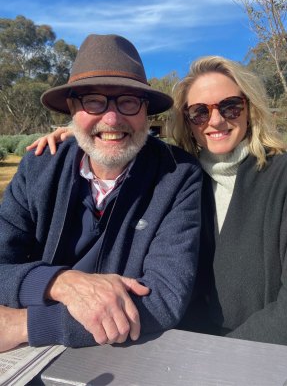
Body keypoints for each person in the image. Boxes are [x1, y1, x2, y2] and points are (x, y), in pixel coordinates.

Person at [29, 55, 287, 345]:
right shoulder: (182, 173)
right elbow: (119, 135)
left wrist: (220, 359)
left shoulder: (283, 178)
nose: (215, 120)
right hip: (175, 347)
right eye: (200, 112)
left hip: (246, 354)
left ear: (250, 109)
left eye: (230, 107)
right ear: (187, 121)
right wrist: (85, 136)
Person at [0, 34, 202, 352]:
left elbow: (164, 297)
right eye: (94, 100)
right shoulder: (37, 168)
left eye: (128, 101)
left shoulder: (178, 175)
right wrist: (61, 284)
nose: (111, 118)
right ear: (72, 108)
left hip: (123, 356)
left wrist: (24, 324)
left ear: (145, 110)